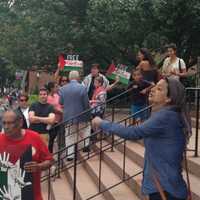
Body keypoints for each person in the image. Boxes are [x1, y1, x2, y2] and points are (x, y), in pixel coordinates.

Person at [92, 78, 191, 200]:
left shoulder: (165, 116)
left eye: (159, 89)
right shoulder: (169, 114)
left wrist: (102, 123)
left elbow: (134, 132)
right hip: (168, 184)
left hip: (165, 188)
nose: (153, 90)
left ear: (169, 98)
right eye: (155, 86)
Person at [0, 110, 53, 200]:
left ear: (20, 122)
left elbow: (50, 160)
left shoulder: (34, 137)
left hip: (32, 196)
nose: (6, 127)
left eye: (10, 123)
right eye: (4, 123)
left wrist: (39, 166)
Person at [59, 71, 91, 160]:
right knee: (85, 129)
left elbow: (60, 102)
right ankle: (86, 145)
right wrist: (89, 114)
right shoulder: (82, 88)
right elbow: (86, 104)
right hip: (81, 115)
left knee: (69, 136)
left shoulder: (62, 89)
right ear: (78, 78)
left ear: (69, 78)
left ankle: (70, 155)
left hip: (68, 116)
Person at [46, 82, 63, 153]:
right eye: (56, 87)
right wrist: (61, 112)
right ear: (51, 88)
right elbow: (51, 108)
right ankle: (49, 154)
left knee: (58, 137)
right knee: (51, 138)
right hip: (52, 121)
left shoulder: (57, 96)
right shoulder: (47, 98)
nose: (57, 88)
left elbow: (61, 105)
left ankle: (59, 152)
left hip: (59, 120)